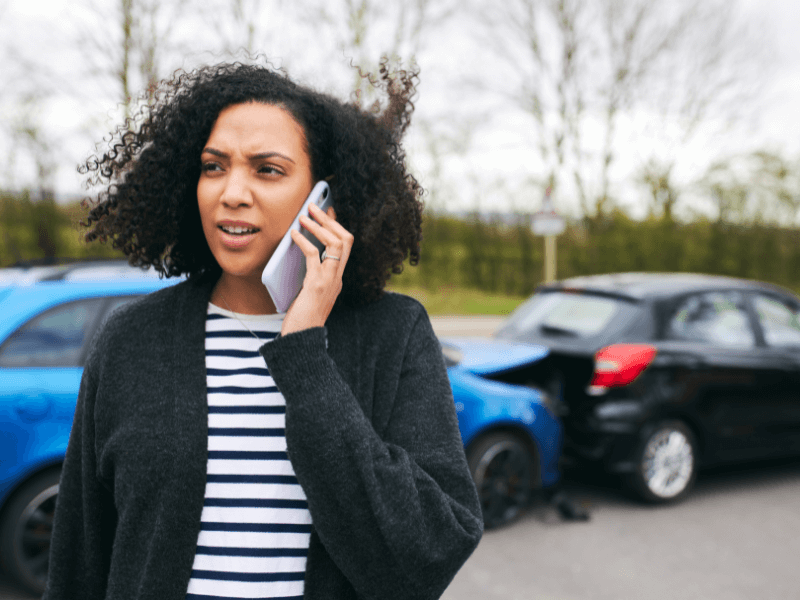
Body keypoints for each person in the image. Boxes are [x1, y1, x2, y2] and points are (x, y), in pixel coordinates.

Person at [43, 59, 483, 600]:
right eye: (213, 166)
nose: (232, 192)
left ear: (323, 198)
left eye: (266, 169)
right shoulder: (133, 338)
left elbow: (427, 555)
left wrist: (305, 360)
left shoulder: (393, 334)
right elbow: (78, 562)